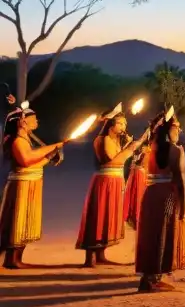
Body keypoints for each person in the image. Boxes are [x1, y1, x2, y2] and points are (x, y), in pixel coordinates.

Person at [76, 108, 146, 267]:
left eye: (125, 123)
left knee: (108, 217)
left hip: (115, 181)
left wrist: (130, 146)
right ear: (111, 124)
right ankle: (90, 258)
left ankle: (101, 254)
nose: (123, 126)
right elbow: (113, 160)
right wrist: (131, 147)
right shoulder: (103, 139)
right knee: (98, 216)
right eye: (120, 123)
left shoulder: (115, 140)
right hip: (104, 182)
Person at [1, 98, 64, 269]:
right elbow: (27, 160)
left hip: (31, 183)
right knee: (17, 221)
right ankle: (11, 259)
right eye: (33, 119)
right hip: (21, 186)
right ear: (22, 122)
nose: (36, 121)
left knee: (27, 221)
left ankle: (17, 258)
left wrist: (48, 157)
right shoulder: (17, 141)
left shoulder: (26, 140)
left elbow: (34, 162)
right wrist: (53, 147)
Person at [135, 116, 185, 291]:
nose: (179, 131)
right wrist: (183, 208)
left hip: (150, 194)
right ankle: (153, 278)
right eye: (176, 128)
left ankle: (148, 277)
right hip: (167, 195)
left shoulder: (149, 149)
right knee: (163, 234)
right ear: (168, 130)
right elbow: (180, 181)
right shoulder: (175, 150)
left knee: (150, 234)